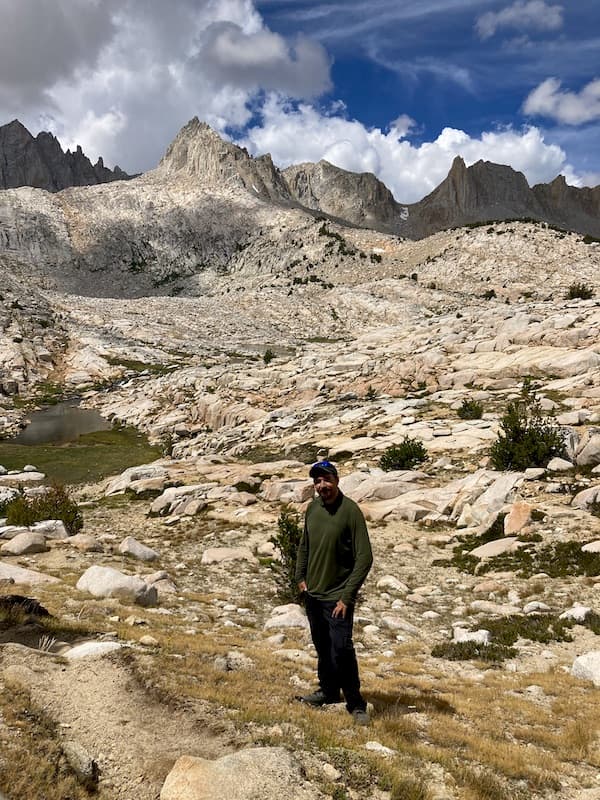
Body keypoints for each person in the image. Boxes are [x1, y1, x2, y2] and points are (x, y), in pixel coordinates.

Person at [295, 459, 373, 725]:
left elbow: (364, 558)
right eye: (317, 481)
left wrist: (347, 596)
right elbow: (304, 545)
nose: (322, 486)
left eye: (326, 480)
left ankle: (355, 703)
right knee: (322, 646)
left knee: (342, 649)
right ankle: (328, 691)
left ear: (337, 480)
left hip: (338, 597)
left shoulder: (350, 511)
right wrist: (300, 578)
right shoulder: (313, 509)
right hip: (314, 595)